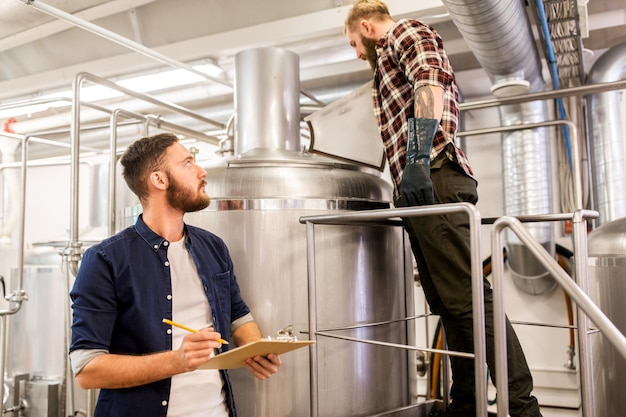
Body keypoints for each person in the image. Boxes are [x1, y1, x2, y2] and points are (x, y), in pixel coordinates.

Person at [344, 1, 542, 416]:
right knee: (451, 304)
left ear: (366, 26)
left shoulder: (407, 33)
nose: (357, 54)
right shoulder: (384, 68)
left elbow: (428, 84)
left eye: (354, 44)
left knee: (470, 298)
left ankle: (523, 409)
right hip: (418, 189)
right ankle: (466, 405)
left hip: (432, 176)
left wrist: (416, 161)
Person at [69, 133, 281, 417]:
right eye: (188, 163)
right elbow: (87, 369)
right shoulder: (105, 259)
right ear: (159, 180)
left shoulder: (213, 247)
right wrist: (178, 361)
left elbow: (238, 316)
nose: (202, 172)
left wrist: (254, 348)